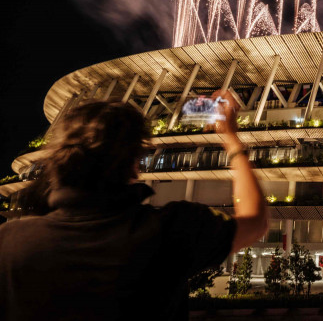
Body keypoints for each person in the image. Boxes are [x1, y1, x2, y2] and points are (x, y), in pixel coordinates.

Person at [0, 90, 268, 320]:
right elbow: (255, 220)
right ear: (133, 167)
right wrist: (230, 138)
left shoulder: (9, 243)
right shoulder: (171, 230)